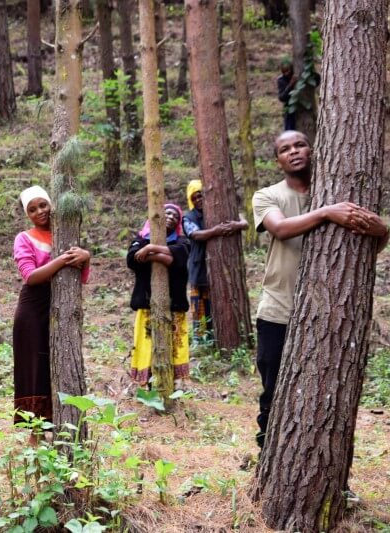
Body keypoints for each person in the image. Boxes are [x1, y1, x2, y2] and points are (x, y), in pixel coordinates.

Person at [252, 130, 388, 448]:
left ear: (314, 149)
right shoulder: (267, 195)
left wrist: (382, 231)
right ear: (278, 160)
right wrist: (327, 212)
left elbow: (365, 246)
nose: (294, 152)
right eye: (286, 149)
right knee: (274, 391)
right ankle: (268, 463)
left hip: (328, 315)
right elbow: (281, 229)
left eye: (300, 145)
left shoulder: (338, 188)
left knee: (326, 396)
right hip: (278, 310)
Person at [12, 186, 90, 443]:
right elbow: (30, 276)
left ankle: (57, 426)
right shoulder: (24, 238)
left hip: (61, 309)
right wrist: (62, 260)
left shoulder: (65, 235)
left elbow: (82, 278)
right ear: (27, 214)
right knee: (35, 367)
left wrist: (85, 257)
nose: (39, 212)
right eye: (32, 209)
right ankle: (35, 435)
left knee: (56, 363)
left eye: (42, 205)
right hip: (33, 310)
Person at [127, 204, 191, 386]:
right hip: (146, 304)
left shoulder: (182, 241)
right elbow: (132, 259)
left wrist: (148, 250)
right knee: (146, 344)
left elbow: (178, 258)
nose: (171, 217)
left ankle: (174, 384)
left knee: (174, 345)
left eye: (175, 216)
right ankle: (146, 384)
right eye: (167, 213)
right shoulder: (140, 239)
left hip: (174, 306)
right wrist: (158, 252)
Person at [182, 180, 248, 344]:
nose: (199, 200)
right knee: (200, 306)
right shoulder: (188, 218)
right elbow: (196, 235)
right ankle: (202, 341)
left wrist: (237, 225)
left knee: (218, 303)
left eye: (201, 195)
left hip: (220, 269)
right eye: (195, 197)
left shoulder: (222, 208)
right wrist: (216, 231)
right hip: (199, 267)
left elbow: (245, 223)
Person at [277, 58, 297, 131]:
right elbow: (281, 97)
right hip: (289, 110)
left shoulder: (296, 74)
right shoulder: (281, 80)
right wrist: (290, 85)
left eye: (288, 71)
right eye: (284, 72)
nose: (287, 74)